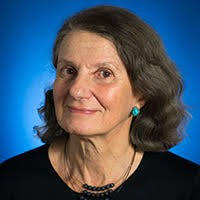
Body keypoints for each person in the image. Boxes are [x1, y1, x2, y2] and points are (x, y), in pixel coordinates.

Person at [0, 5, 199, 200]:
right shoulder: (9, 181)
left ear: (141, 94)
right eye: (69, 70)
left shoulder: (189, 186)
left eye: (104, 74)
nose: (76, 90)